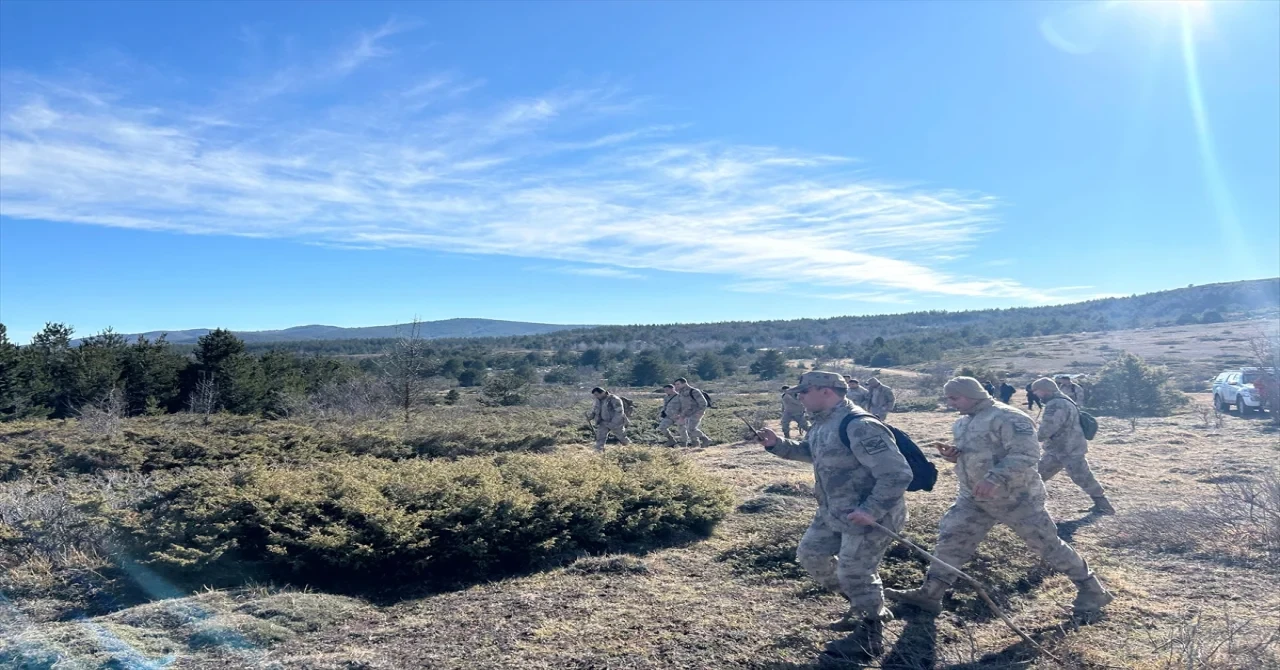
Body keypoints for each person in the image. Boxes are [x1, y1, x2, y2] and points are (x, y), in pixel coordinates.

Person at [886, 377, 1113, 619]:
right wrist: (955, 456)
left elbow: (1027, 453)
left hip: (1015, 497)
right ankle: (930, 595)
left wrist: (994, 478)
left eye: (955, 398)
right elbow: (982, 454)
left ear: (972, 394)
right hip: (973, 498)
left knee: (1046, 544)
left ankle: (1092, 589)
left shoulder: (1008, 417)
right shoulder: (962, 423)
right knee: (951, 538)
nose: (950, 403)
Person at [755, 371, 913, 662]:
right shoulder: (823, 423)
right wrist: (776, 444)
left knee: (855, 571)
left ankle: (870, 633)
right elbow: (812, 453)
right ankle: (862, 604)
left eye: (804, 391)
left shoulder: (860, 425)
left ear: (826, 391)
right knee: (810, 555)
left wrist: (870, 510)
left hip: (870, 514)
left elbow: (897, 474)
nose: (799, 397)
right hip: (835, 510)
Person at [1032, 378, 1115, 515]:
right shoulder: (1064, 400)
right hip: (1061, 448)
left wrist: (1031, 438)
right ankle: (1029, 505)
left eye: (1037, 391)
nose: (1036, 395)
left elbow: (1047, 430)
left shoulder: (1055, 404)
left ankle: (1104, 505)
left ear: (1045, 390)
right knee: (1037, 475)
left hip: (1068, 449)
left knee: (1082, 477)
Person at [673, 378, 713, 447]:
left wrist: (700, 412)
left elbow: (703, 403)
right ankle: (696, 444)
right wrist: (679, 414)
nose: (676, 386)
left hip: (695, 413)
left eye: (678, 384)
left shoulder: (694, 391)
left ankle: (706, 440)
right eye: (675, 384)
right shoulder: (681, 393)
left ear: (684, 383)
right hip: (686, 414)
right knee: (689, 430)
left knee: (691, 429)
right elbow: (682, 404)